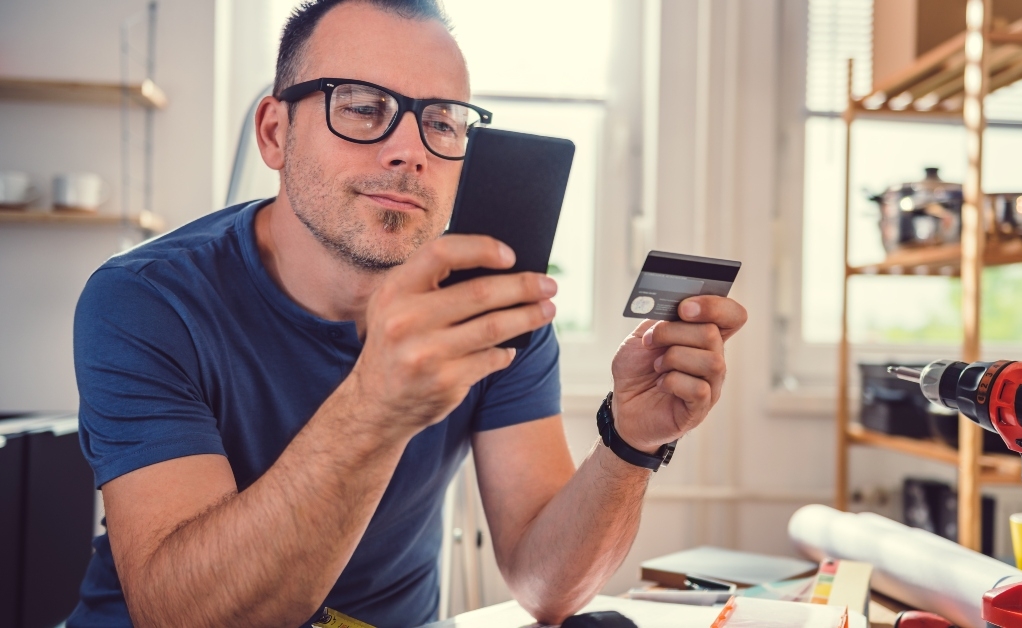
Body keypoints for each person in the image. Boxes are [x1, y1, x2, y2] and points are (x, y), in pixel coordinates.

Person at [67, 0, 747, 626]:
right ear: (276, 133)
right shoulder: (147, 300)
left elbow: (547, 589)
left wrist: (630, 442)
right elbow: (183, 617)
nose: (410, 151)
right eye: (362, 107)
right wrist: (377, 404)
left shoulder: (495, 311)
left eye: (442, 120)